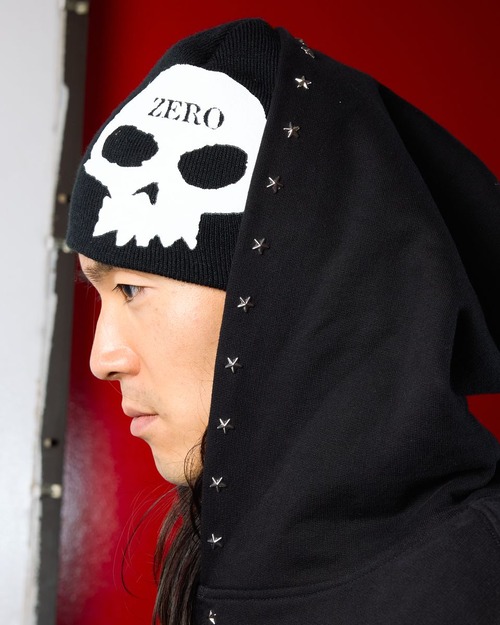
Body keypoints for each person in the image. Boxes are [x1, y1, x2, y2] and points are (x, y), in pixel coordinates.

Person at [67, 18, 500, 625]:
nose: (102, 358)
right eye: (98, 292)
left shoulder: (472, 585)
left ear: (296, 290)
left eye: (133, 288)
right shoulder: (224, 553)